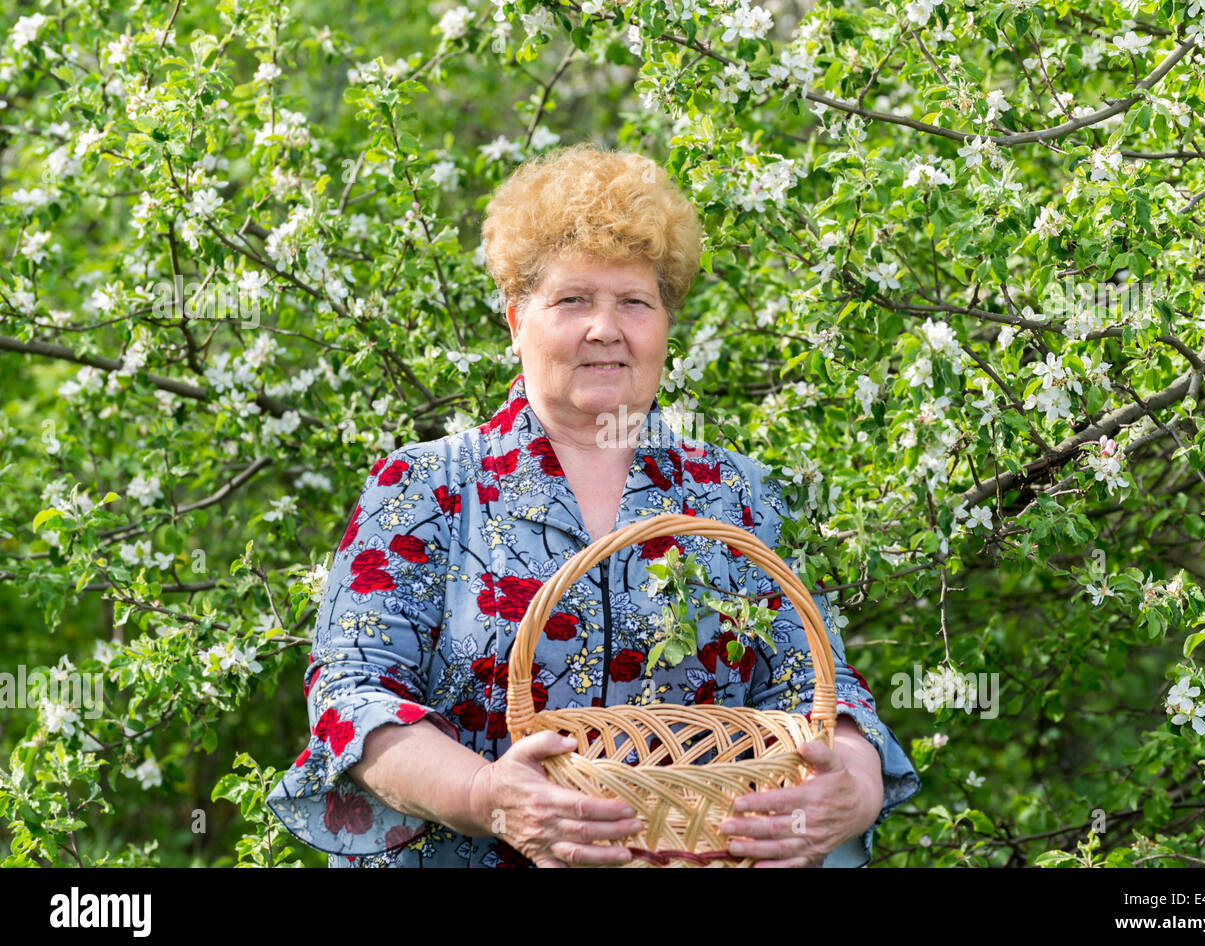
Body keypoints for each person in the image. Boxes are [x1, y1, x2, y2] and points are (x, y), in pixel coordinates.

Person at [267, 143, 920, 868]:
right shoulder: (423, 489)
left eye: (634, 302)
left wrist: (854, 787)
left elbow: (812, 679)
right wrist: (489, 796)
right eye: (573, 299)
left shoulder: (742, 494)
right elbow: (354, 696)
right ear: (516, 320)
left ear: (666, 324)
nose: (605, 328)